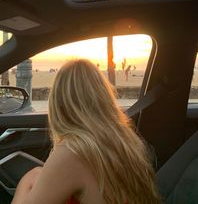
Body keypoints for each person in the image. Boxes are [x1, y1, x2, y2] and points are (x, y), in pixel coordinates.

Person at [12, 59, 161, 204]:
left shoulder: (73, 151)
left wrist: (24, 183)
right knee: (36, 174)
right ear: (103, 96)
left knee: (31, 177)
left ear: (58, 104)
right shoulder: (126, 140)